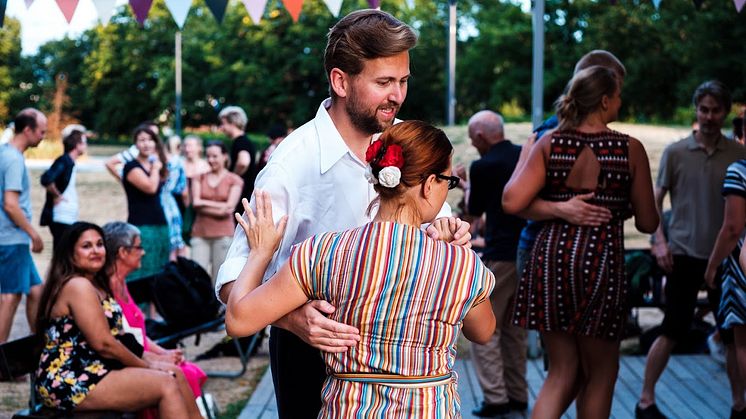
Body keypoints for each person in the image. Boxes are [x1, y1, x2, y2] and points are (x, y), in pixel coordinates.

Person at [214, 9, 470, 418]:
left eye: (403, 81)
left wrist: (447, 231)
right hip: (314, 350)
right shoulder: (290, 164)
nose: (397, 95)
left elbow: (431, 212)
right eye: (384, 82)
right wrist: (293, 319)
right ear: (340, 81)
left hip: (403, 360)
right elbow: (232, 280)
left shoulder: (406, 139)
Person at [226, 121, 495, 417]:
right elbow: (483, 332)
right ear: (429, 185)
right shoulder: (460, 264)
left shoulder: (323, 251)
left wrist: (261, 252)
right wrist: (455, 263)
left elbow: (239, 320)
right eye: (448, 181)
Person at [503, 65, 659, 418]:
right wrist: (619, 204)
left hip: (550, 260)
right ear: (605, 101)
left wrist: (561, 209)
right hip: (601, 263)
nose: (620, 101)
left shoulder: (550, 142)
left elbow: (512, 201)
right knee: (602, 373)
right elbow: (649, 221)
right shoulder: (628, 148)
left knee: (562, 371)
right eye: (617, 95)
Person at [637, 80, 746, 419]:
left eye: (716, 110)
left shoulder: (738, 155)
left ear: (726, 112)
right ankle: (645, 400)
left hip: (727, 259)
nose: (710, 116)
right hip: (682, 253)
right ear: (696, 111)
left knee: (731, 337)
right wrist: (660, 243)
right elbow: (653, 204)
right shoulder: (676, 152)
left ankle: (739, 405)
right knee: (671, 329)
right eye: (704, 110)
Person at [34, 222, 200, 418]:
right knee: (165, 383)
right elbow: (105, 344)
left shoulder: (96, 284)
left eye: (99, 244)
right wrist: (147, 366)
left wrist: (155, 359)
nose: (96, 251)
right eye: (86, 246)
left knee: (175, 373)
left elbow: (122, 339)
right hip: (69, 378)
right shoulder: (77, 285)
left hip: (96, 368)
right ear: (70, 254)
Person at [102, 221, 207, 416]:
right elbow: (122, 341)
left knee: (184, 369)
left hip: (140, 355)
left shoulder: (121, 283)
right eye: (138, 246)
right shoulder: (106, 290)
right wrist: (157, 358)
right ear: (123, 252)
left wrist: (163, 352)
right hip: (129, 361)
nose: (143, 252)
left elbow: (139, 334)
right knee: (178, 373)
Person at [465, 110, 528, 417]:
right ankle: (518, 394)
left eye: (472, 140)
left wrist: (465, 187)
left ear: (480, 137)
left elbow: (473, 212)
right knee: (515, 330)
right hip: (528, 254)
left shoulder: (483, 165)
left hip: (501, 255)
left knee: (485, 329)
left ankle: (495, 398)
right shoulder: (525, 155)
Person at [0, 108, 46, 343]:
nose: (43, 136)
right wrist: (33, 234)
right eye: (41, 132)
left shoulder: (4, 152)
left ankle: (37, 349)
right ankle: (2, 363)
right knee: (10, 296)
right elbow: (10, 204)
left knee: (37, 290)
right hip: (11, 237)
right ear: (27, 130)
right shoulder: (14, 160)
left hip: (11, 237)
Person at [705, 159, 746, 419]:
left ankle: (740, 405)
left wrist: (712, 265)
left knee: (742, 343)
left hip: (741, 267)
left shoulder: (739, 170)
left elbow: (733, 228)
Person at [122, 125, 170, 282]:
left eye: (150, 140)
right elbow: (150, 188)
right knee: (142, 271)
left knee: (160, 269)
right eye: (142, 140)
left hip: (160, 224)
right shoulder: (131, 167)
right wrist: (156, 168)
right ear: (135, 144)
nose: (146, 144)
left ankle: (155, 306)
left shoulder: (157, 165)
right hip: (141, 226)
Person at [191, 141, 243, 281]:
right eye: (208, 156)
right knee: (197, 277)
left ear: (225, 156)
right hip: (200, 233)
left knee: (219, 279)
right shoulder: (199, 177)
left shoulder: (234, 180)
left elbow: (229, 209)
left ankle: (216, 304)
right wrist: (220, 205)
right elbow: (195, 203)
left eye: (215, 156)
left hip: (223, 235)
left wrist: (203, 203)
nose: (210, 160)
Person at [40, 129, 87, 251]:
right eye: (84, 142)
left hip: (67, 216)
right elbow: (46, 179)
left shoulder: (70, 162)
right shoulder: (64, 161)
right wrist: (57, 195)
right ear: (77, 145)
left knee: (65, 254)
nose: (86, 146)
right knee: (62, 254)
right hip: (61, 215)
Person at [218, 106, 257, 216]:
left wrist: (231, 178)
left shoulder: (240, 141)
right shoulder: (244, 140)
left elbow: (243, 162)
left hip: (243, 194)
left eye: (223, 123)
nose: (222, 127)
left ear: (233, 122)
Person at [161, 136, 188, 260]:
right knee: (176, 240)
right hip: (172, 201)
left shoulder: (172, 161)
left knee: (174, 240)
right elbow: (182, 188)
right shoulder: (177, 161)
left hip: (170, 201)